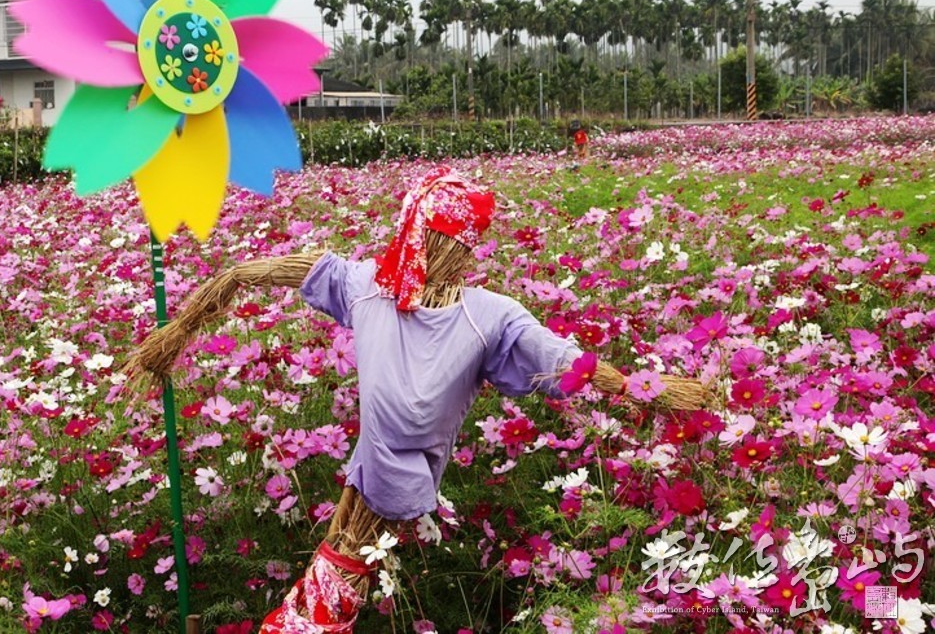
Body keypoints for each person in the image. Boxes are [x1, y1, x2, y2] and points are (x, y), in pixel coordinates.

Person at [128, 168, 703, 633]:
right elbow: (262, 272)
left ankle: (308, 622)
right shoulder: (368, 288)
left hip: (410, 472)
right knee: (343, 562)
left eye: (450, 240)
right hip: (371, 467)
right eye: (436, 235)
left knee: (345, 560)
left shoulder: (487, 317)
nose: (436, 248)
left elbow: (562, 361)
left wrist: (638, 390)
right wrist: (189, 320)